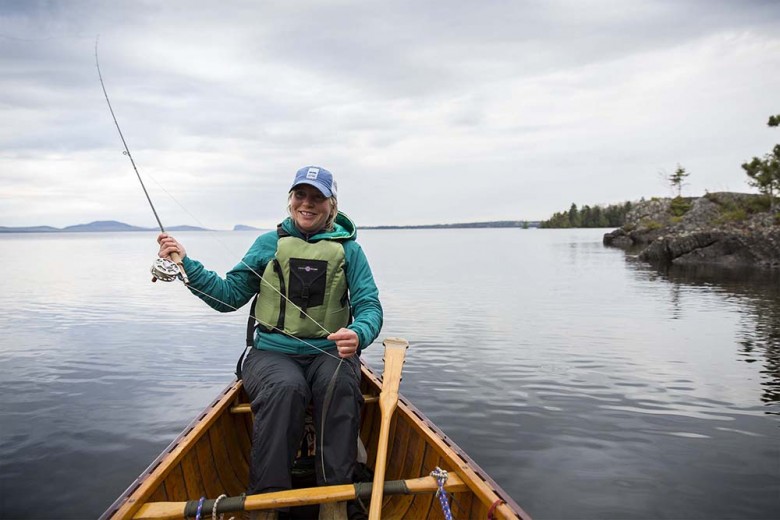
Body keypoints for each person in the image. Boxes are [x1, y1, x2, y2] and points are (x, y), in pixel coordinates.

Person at [157, 166, 383, 520]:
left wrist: (359, 333)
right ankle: (265, 504)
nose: (307, 203)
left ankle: (335, 501)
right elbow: (228, 296)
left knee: (339, 383)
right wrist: (186, 264)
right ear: (290, 200)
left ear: (331, 205)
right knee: (285, 388)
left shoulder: (350, 251)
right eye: (300, 195)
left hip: (330, 353)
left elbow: (370, 306)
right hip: (272, 354)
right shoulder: (267, 245)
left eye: (317, 197)